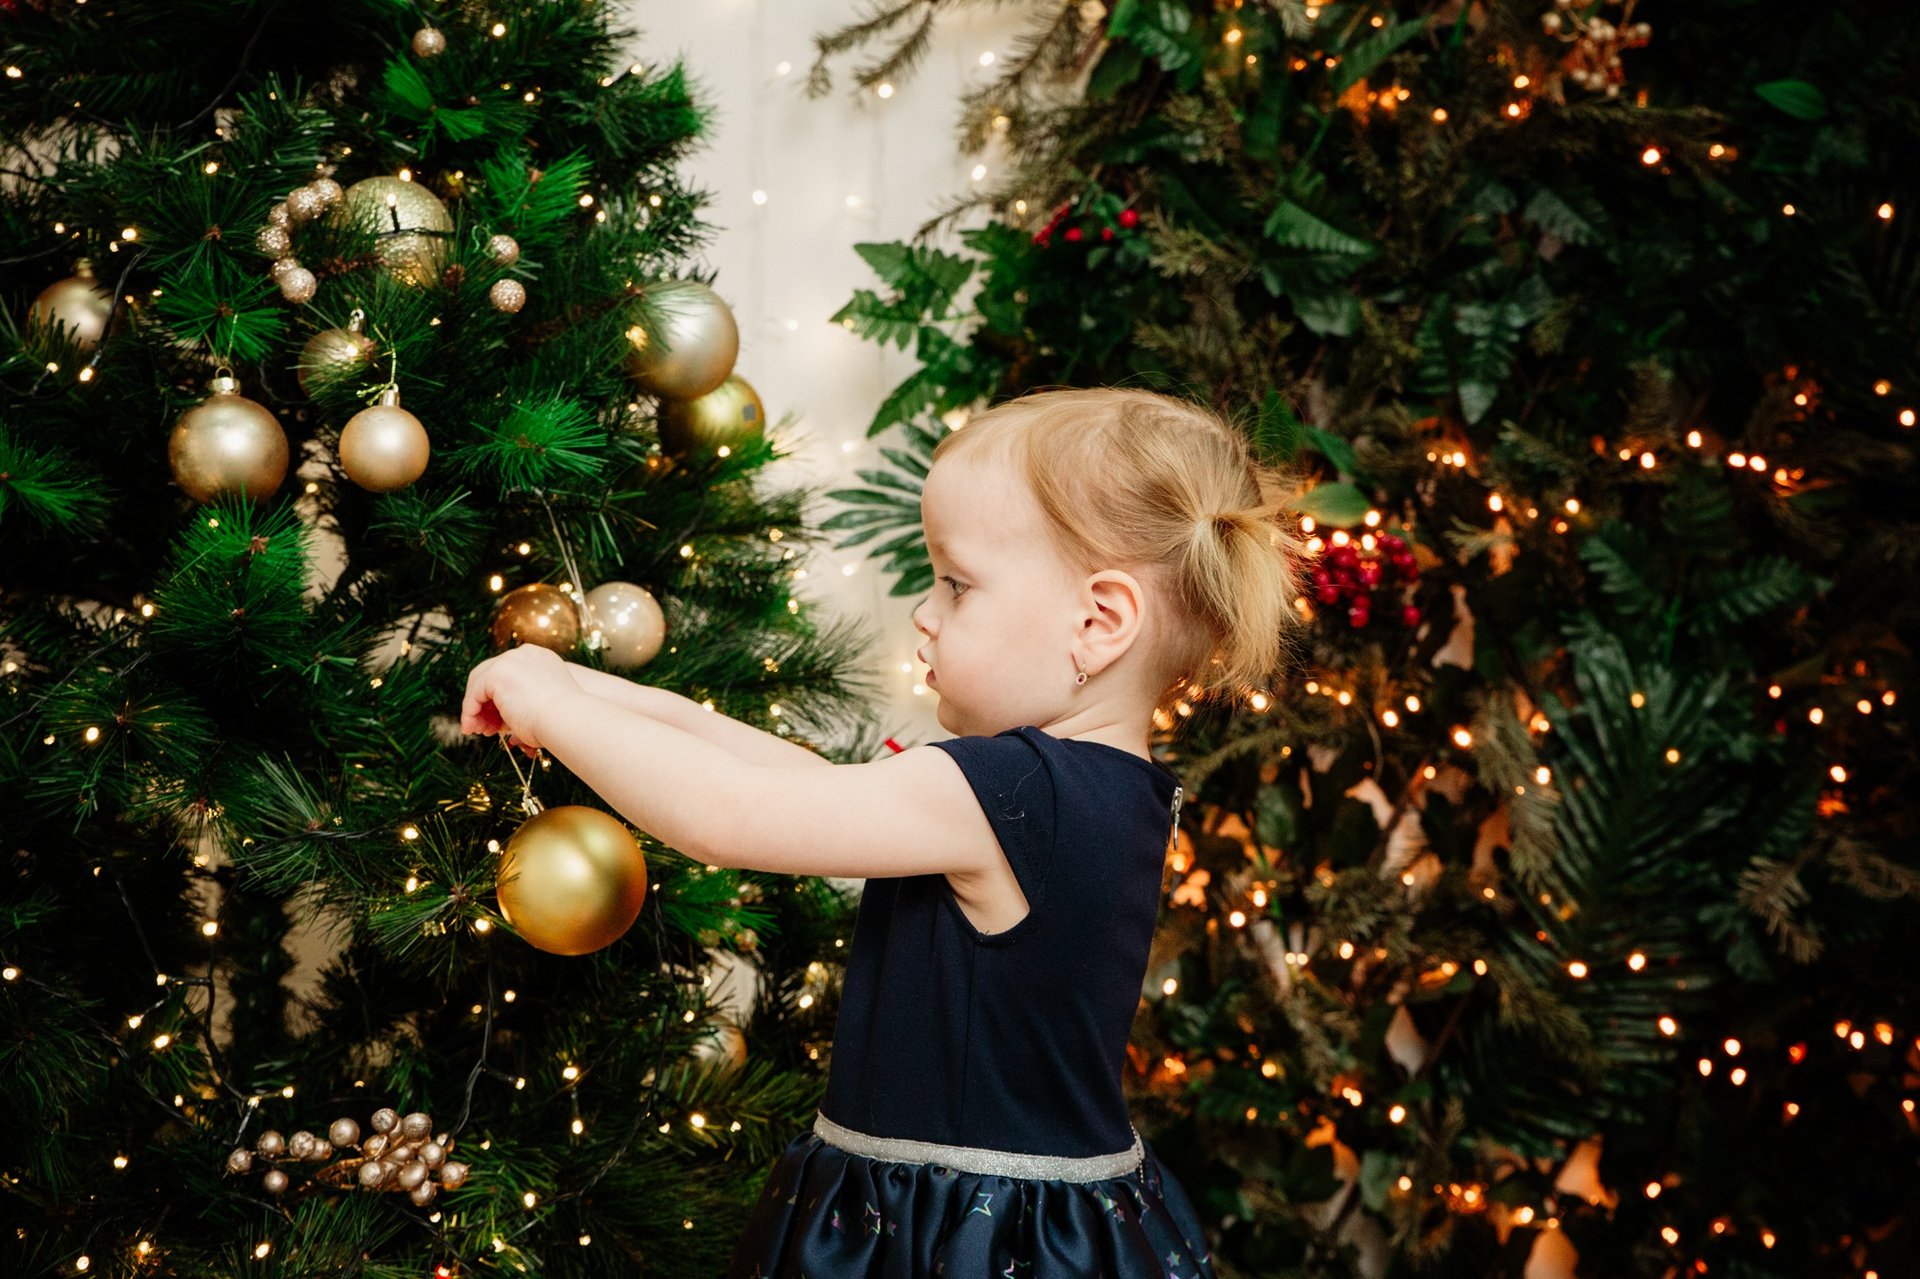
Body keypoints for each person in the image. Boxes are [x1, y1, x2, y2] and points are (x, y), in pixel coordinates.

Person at [460, 386, 1306, 1278]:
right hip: (1053, 1216)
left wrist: (554, 709)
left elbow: (730, 815)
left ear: (1098, 622)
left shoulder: (1013, 788)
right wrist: (599, 694)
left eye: (957, 583)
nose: (925, 615)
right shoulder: (1107, 790)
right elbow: (806, 785)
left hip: (956, 1235)